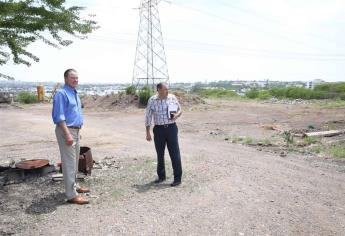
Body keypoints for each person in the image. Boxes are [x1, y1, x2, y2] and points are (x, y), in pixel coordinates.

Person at [52, 69, 90, 204]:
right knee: (68, 163)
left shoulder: (74, 93)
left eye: (77, 78)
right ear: (66, 79)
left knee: (74, 162)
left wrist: (77, 132)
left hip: (75, 131)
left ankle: (74, 187)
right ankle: (71, 195)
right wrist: (68, 134)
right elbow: (59, 117)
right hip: (66, 131)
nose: (76, 80)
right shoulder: (61, 94)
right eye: (73, 78)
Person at [145, 82, 183, 187]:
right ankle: (161, 177)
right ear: (159, 90)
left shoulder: (172, 98)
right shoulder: (152, 100)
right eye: (165, 89)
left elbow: (180, 110)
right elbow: (148, 116)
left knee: (175, 154)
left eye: (167, 89)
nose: (167, 91)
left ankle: (177, 178)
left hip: (171, 128)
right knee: (160, 154)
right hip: (159, 130)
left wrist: (176, 115)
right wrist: (147, 132)